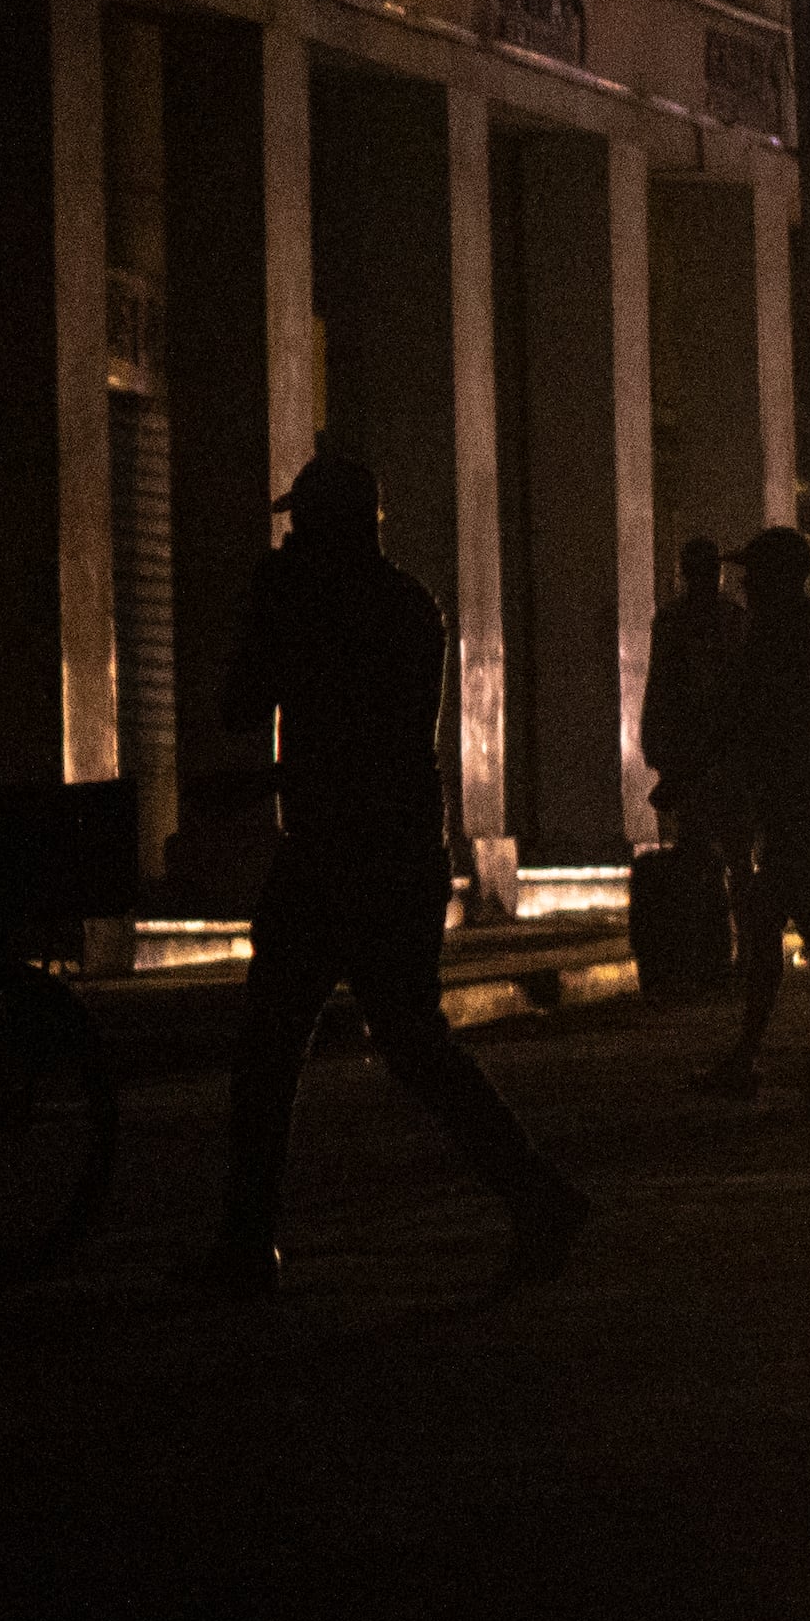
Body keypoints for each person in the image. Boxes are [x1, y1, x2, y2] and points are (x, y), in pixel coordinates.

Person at [193, 454, 590, 1296]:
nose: (292, 536)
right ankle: (533, 1196)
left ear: (324, 525)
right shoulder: (412, 608)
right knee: (405, 1042)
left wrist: (261, 618)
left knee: (284, 1049)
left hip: (338, 857)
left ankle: (249, 1240)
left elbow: (251, 712)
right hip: (398, 855)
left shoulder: (312, 609)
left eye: (302, 521)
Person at [693, 526, 810, 1109]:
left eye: (754, 573)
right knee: (776, 927)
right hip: (804, 805)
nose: (744, 583)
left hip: (795, 805)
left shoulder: (778, 637)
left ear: (780, 577)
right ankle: (756, 1055)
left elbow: (742, 713)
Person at [635, 535, 749, 997]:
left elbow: (659, 686)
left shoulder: (674, 621)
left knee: (701, 854)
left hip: (695, 757)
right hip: (725, 757)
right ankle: (737, 951)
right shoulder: (732, 620)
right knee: (736, 858)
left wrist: (658, 750)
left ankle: (709, 949)